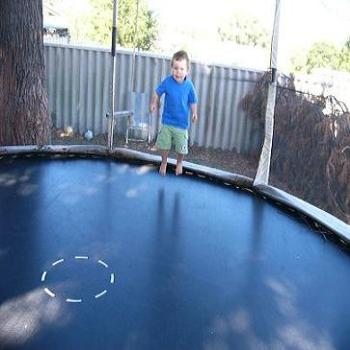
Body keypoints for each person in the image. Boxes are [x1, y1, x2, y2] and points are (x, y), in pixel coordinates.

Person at [149, 50, 198, 176]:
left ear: (187, 70)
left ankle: (179, 162)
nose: (178, 71)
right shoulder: (168, 82)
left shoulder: (189, 86)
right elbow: (157, 92)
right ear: (172, 68)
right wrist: (154, 103)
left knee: (181, 147)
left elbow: (193, 101)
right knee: (164, 145)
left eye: (182, 69)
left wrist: (194, 113)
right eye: (175, 68)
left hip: (182, 124)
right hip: (167, 122)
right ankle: (164, 162)